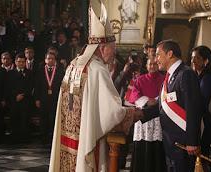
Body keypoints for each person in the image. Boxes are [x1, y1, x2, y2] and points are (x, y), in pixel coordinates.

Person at [49, 2, 142, 172]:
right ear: (102, 47)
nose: (114, 53)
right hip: (85, 135)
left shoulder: (74, 64)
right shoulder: (97, 69)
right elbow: (112, 112)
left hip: (68, 134)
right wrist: (132, 113)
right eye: (112, 49)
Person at [140, 40, 204, 172]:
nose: (156, 59)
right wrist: (140, 114)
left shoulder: (185, 74)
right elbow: (163, 105)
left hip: (184, 144)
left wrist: (192, 141)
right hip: (171, 142)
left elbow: (193, 109)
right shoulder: (170, 76)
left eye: (158, 55)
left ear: (169, 54)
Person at [129, 58, 166, 172]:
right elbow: (133, 95)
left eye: (155, 64)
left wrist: (156, 100)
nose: (152, 66)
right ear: (146, 65)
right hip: (143, 118)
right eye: (150, 64)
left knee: (157, 147)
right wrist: (146, 100)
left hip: (158, 118)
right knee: (142, 147)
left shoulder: (164, 79)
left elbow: (167, 94)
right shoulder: (140, 80)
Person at [191, 45, 211, 156]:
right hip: (198, 119)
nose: (193, 61)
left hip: (203, 121)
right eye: (192, 58)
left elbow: (201, 103)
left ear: (206, 61)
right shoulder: (197, 75)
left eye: (196, 58)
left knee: (201, 158)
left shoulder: (207, 78)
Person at [34, 52, 65, 143]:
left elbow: (62, 86)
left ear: (55, 60)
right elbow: (37, 86)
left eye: (52, 58)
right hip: (43, 98)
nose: (50, 60)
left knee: (53, 118)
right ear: (45, 60)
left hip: (55, 98)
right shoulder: (40, 71)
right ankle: (43, 136)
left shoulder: (59, 71)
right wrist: (37, 99)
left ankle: (52, 137)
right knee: (43, 118)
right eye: (48, 58)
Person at [8, 53, 34, 142]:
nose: (21, 63)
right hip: (14, 100)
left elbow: (31, 86)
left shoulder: (30, 73)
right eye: (19, 61)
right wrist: (16, 96)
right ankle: (14, 138)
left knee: (25, 119)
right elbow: (9, 87)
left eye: (23, 62)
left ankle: (24, 139)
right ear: (15, 62)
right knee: (14, 119)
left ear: (25, 62)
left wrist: (23, 95)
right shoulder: (10, 73)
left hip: (25, 100)